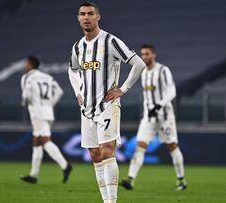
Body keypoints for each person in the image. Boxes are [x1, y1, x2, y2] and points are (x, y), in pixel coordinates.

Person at [68, 2, 146, 203]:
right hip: (87, 108)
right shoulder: (78, 46)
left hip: (107, 106)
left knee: (106, 151)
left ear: (98, 17)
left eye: (90, 14)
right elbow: (72, 69)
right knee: (95, 154)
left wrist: (122, 90)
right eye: (82, 14)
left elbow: (138, 63)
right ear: (78, 18)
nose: (86, 17)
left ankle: (112, 201)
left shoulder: (110, 41)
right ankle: (106, 200)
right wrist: (78, 91)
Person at [120, 44, 187, 191]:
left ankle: (181, 180)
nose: (144, 57)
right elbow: (146, 97)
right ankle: (130, 179)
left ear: (153, 55)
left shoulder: (163, 70)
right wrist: (148, 111)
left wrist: (159, 105)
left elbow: (172, 91)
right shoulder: (143, 72)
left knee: (172, 146)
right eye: (142, 54)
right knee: (140, 146)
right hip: (149, 117)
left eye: (147, 54)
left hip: (165, 116)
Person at [20, 55, 72, 184]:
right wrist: (50, 104)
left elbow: (26, 95)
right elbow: (59, 91)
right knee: (37, 142)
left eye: (25, 63)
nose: (24, 66)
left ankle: (65, 165)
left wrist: (25, 103)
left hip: (37, 113)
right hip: (48, 111)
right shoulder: (47, 77)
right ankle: (33, 175)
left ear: (31, 65)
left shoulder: (27, 77)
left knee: (45, 141)